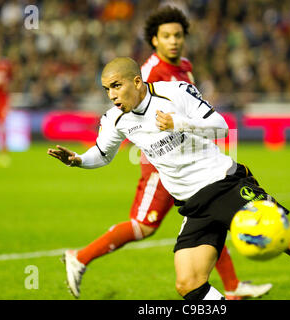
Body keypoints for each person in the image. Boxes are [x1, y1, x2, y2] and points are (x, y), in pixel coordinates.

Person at [48, 57, 290, 300]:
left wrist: (179, 123)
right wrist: (78, 161)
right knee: (188, 283)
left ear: (137, 82)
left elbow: (221, 126)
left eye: (116, 86)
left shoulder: (175, 94)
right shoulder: (115, 120)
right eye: (107, 89)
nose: (111, 95)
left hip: (224, 184)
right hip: (193, 205)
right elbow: (102, 155)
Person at [55, 6, 271, 300]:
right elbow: (133, 121)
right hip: (160, 167)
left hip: (190, 161)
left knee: (209, 213)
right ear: (154, 40)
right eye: (166, 36)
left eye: (178, 35)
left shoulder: (183, 65)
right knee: (143, 226)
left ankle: (232, 286)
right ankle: (80, 257)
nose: (174, 41)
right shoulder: (146, 74)